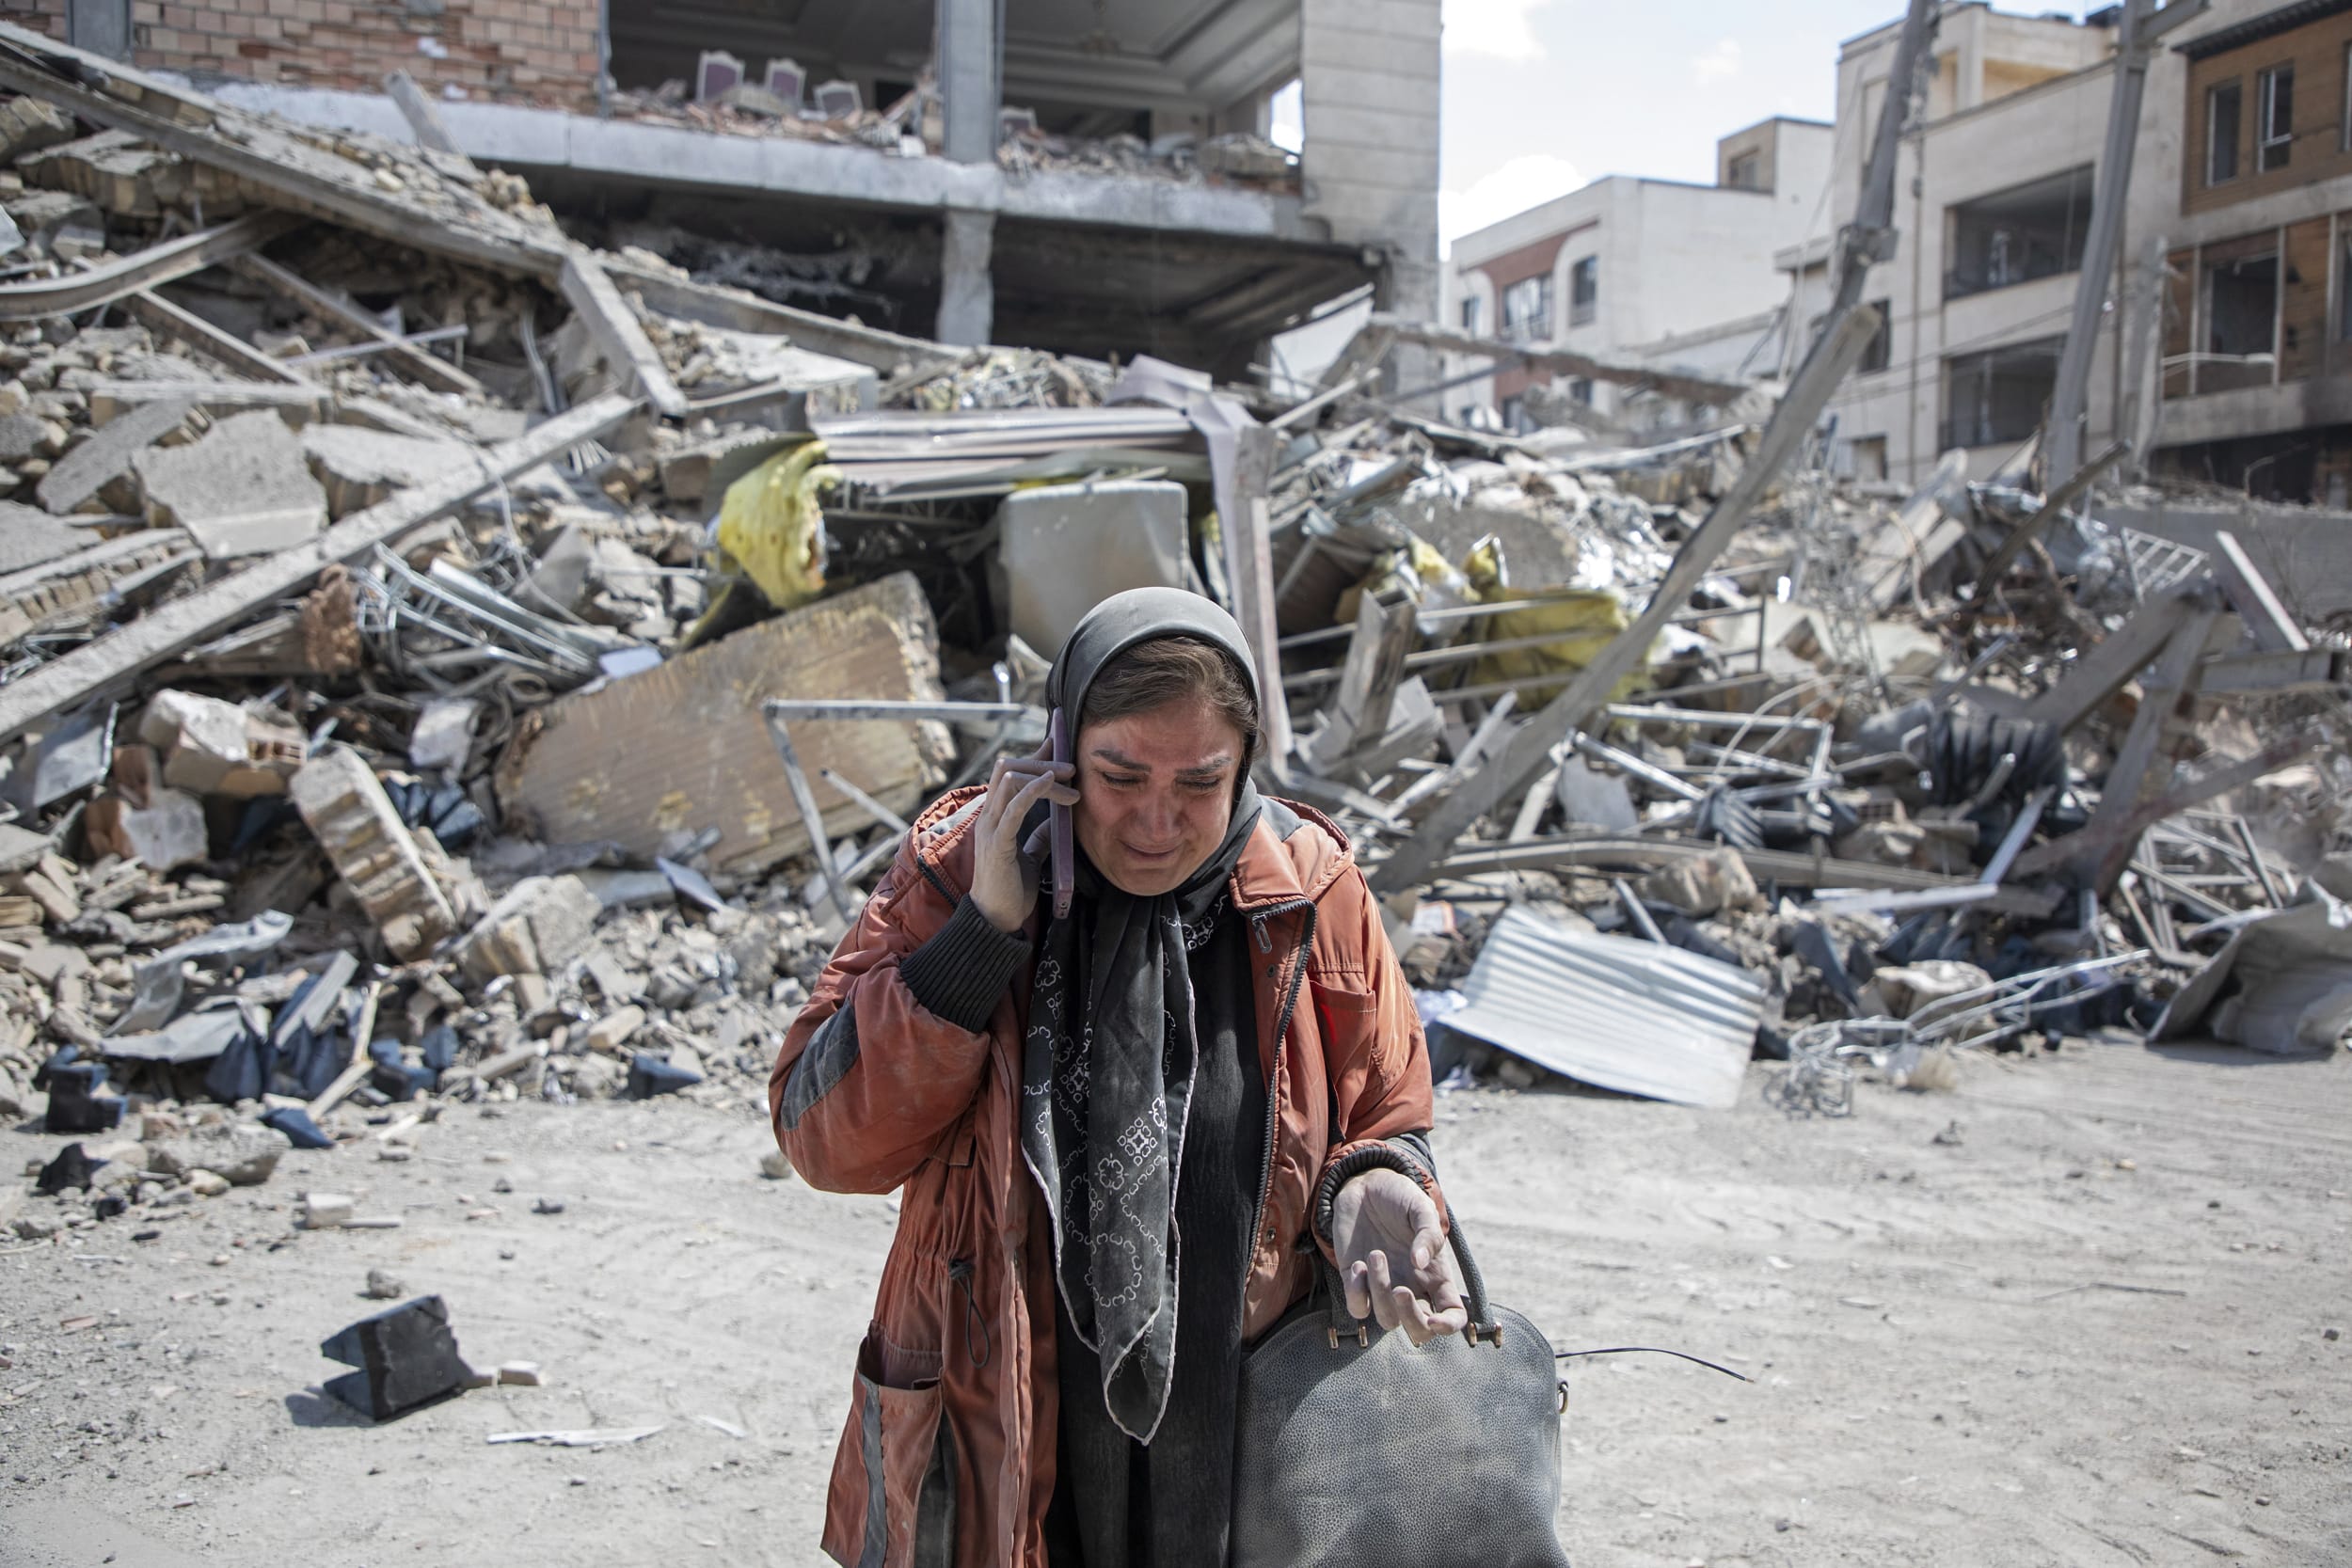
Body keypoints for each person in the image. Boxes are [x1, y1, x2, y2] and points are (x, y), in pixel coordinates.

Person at [771, 588, 1462, 1568]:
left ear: (1246, 766)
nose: (1154, 821)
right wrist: (980, 937)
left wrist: (1380, 1178)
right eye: (1118, 774)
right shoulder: (957, 866)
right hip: (1002, 1413)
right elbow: (822, 1137)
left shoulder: (1308, 886)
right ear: (1059, 752)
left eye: (1198, 781)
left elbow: (1384, 1109)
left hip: (1246, 1423)